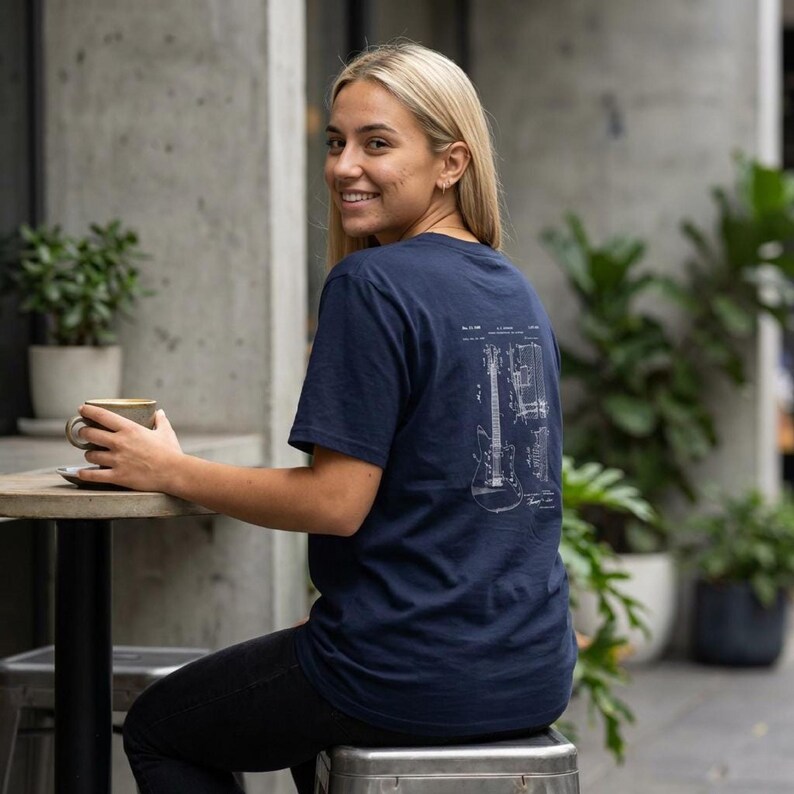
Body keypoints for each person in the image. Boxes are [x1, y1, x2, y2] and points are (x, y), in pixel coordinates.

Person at [77, 41, 577, 794]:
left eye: (378, 144)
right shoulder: (514, 290)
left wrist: (171, 471)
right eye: (336, 142)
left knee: (158, 727)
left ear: (452, 163)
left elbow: (336, 505)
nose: (345, 166)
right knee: (294, 708)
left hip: (401, 667)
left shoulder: (371, 285)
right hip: (531, 668)